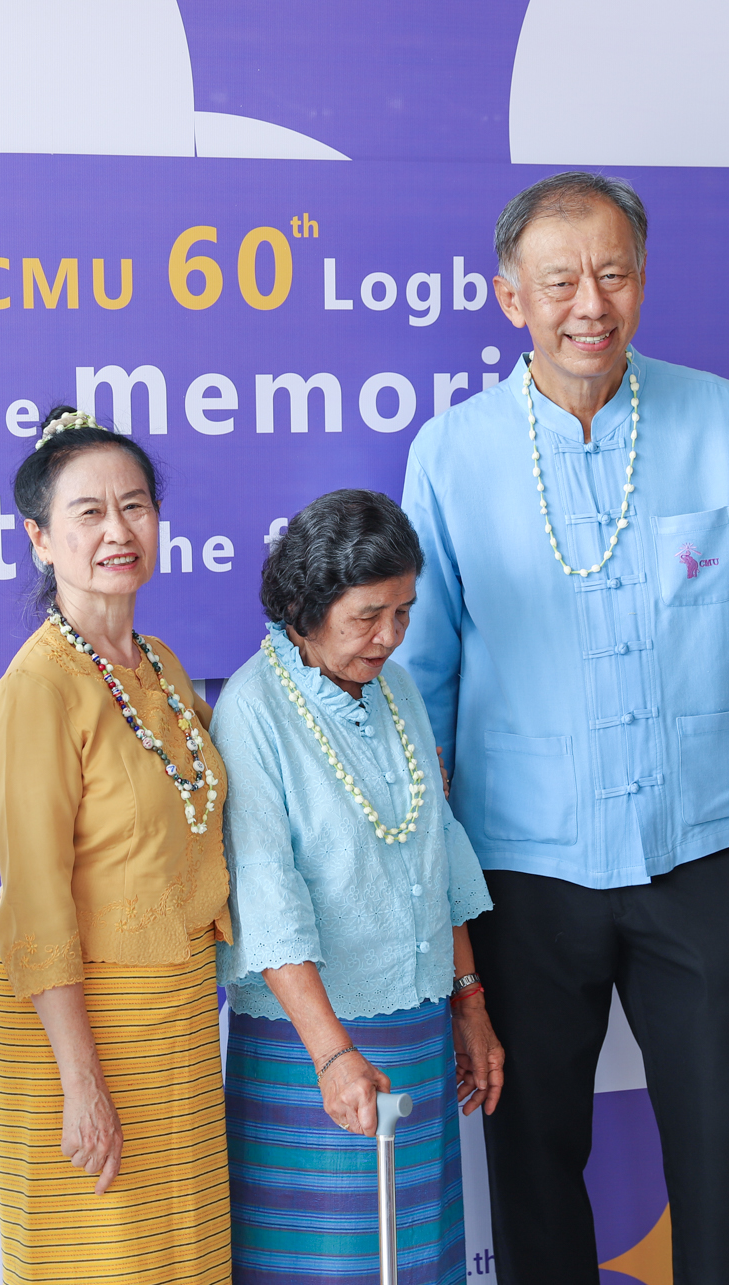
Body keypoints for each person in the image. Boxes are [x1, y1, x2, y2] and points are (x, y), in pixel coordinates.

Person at [398, 170, 729, 1284]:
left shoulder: (723, 421)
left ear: (641, 281)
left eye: (613, 274)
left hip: (704, 843)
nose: (589, 303)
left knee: (726, 1142)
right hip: (521, 862)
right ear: (511, 298)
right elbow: (422, 681)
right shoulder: (451, 453)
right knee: (533, 1151)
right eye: (560, 282)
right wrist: (431, 878)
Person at [213, 488, 502, 1285]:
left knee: (417, 1262)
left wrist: (469, 1002)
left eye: (403, 612)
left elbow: (438, 850)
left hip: (418, 1032)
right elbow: (266, 900)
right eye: (369, 615)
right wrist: (334, 1054)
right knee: (328, 1263)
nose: (390, 635)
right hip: (310, 1044)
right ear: (307, 606)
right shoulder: (252, 709)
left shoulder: (396, 689)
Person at [0, 406, 233, 1285]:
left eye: (135, 506)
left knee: (184, 1257)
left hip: (176, 1009)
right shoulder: (37, 690)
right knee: (105, 1260)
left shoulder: (157, 661)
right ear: (40, 539)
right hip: (79, 1025)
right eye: (88, 512)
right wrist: (79, 1078)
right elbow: (37, 903)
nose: (118, 531)